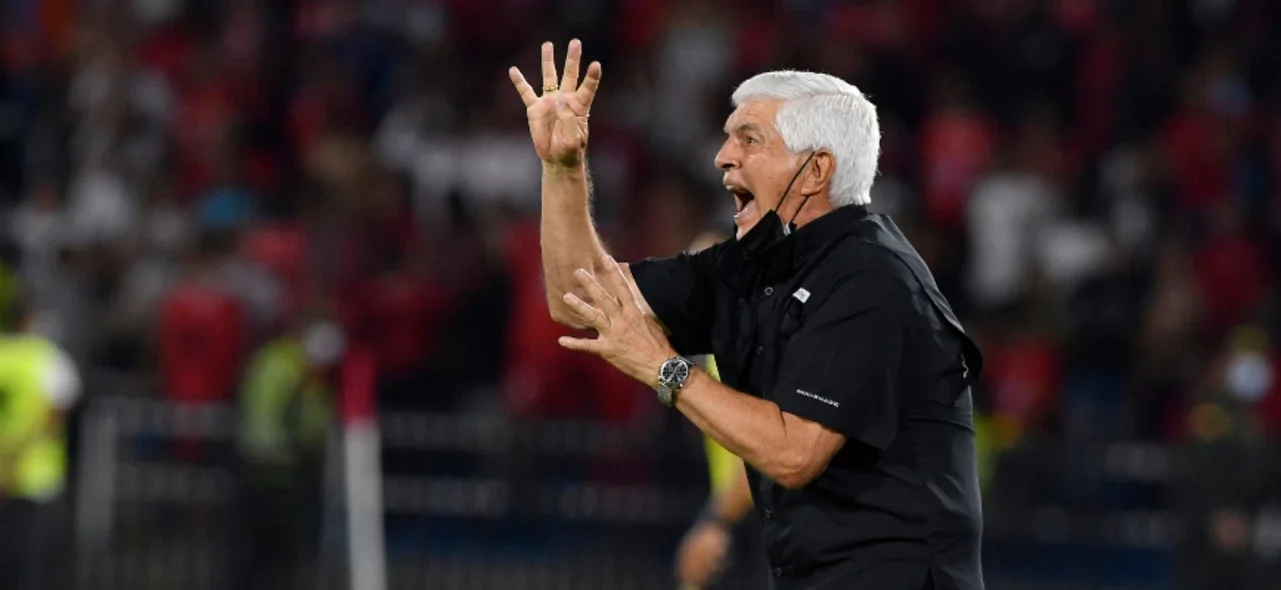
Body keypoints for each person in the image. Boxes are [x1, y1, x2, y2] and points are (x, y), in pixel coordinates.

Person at [509, 40, 985, 590]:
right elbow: (577, 295)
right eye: (729, 135)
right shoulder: (751, 266)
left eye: (749, 139)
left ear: (815, 170)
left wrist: (665, 367)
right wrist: (563, 168)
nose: (722, 156)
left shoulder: (874, 279)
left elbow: (794, 453)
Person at [675, 230, 767, 590]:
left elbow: (760, 450)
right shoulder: (714, 353)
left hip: (763, 523)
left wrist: (714, 522)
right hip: (744, 524)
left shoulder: (747, 353)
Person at [0, 300, 81, 590]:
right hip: (36, 476)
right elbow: (57, 414)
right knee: (32, 564)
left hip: (5, 474)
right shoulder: (48, 359)